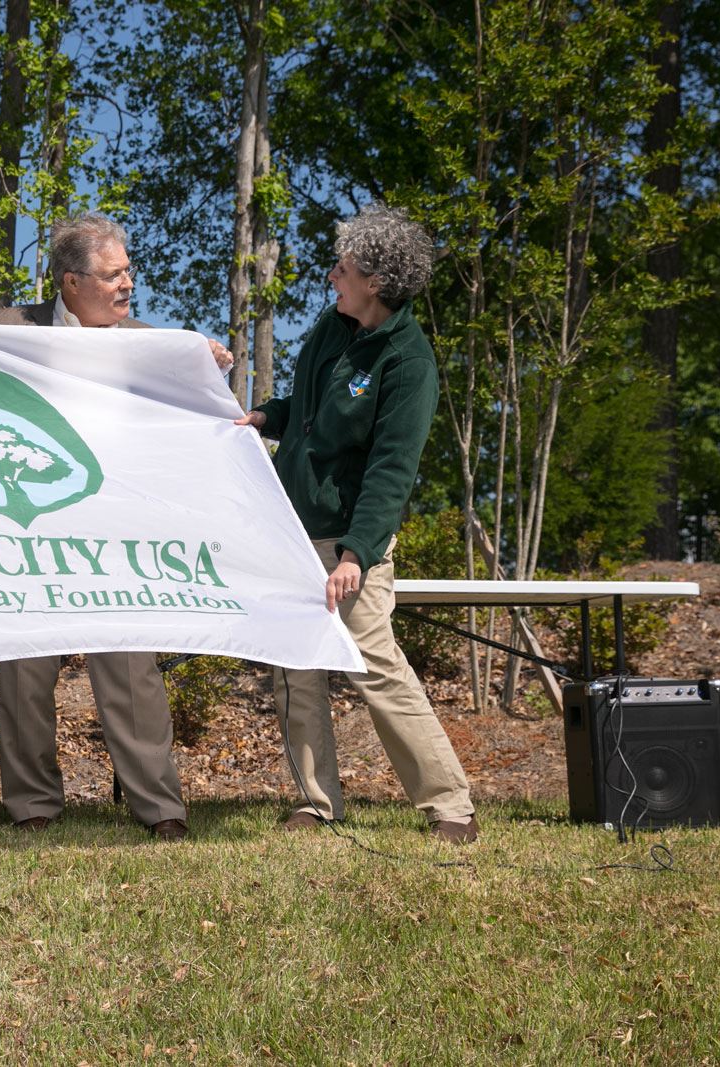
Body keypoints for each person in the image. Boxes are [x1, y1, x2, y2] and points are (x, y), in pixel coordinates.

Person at [0, 212, 231, 842]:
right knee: (25, 667)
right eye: (113, 275)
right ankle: (33, 803)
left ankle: (159, 806)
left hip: (116, 534)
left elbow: (189, 421)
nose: (128, 286)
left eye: (129, 272)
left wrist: (206, 367)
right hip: (28, 530)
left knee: (130, 669)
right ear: (70, 282)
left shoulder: (149, 343)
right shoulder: (4, 329)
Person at [235, 203, 478, 845]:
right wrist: (266, 418)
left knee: (375, 663)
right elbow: (308, 407)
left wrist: (356, 554)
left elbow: (391, 471)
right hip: (291, 528)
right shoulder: (333, 325)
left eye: (344, 265)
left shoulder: (409, 362)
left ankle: (450, 805)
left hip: (348, 539)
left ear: (375, 280)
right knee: (297, 671)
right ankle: (318, 804)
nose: (333, 273)